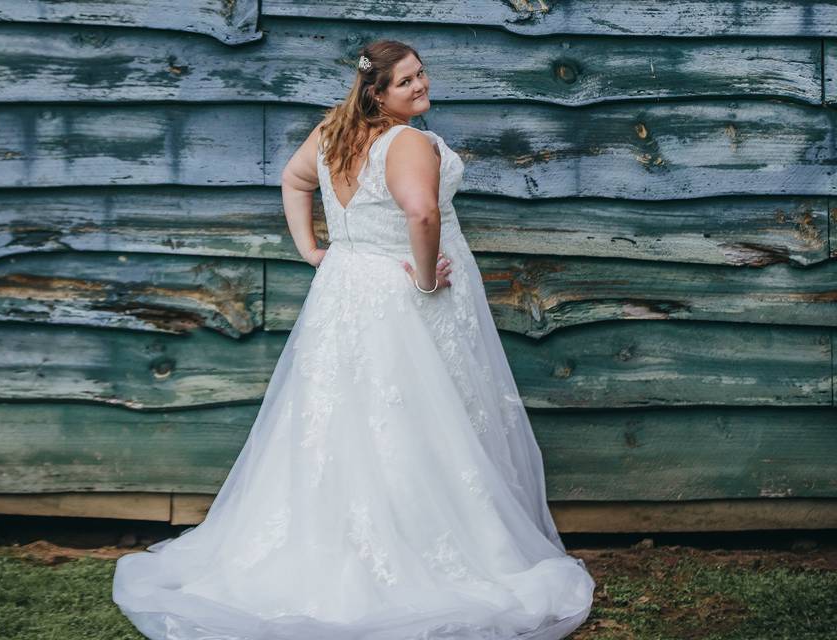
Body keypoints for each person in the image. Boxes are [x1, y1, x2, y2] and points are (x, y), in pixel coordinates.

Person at [112, 39, 596, 640]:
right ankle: (418, 551)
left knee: (343, 419)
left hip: (344, 291)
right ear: (378, 93)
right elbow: (422, 215)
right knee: (415, 418)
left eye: (421, 73)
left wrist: (314, 250)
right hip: (401, 299)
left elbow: (294, 182)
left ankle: (332, 542)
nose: (420, 86)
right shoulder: (406, 142)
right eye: (406, 81)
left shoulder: (332, 135)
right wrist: (424, 282)